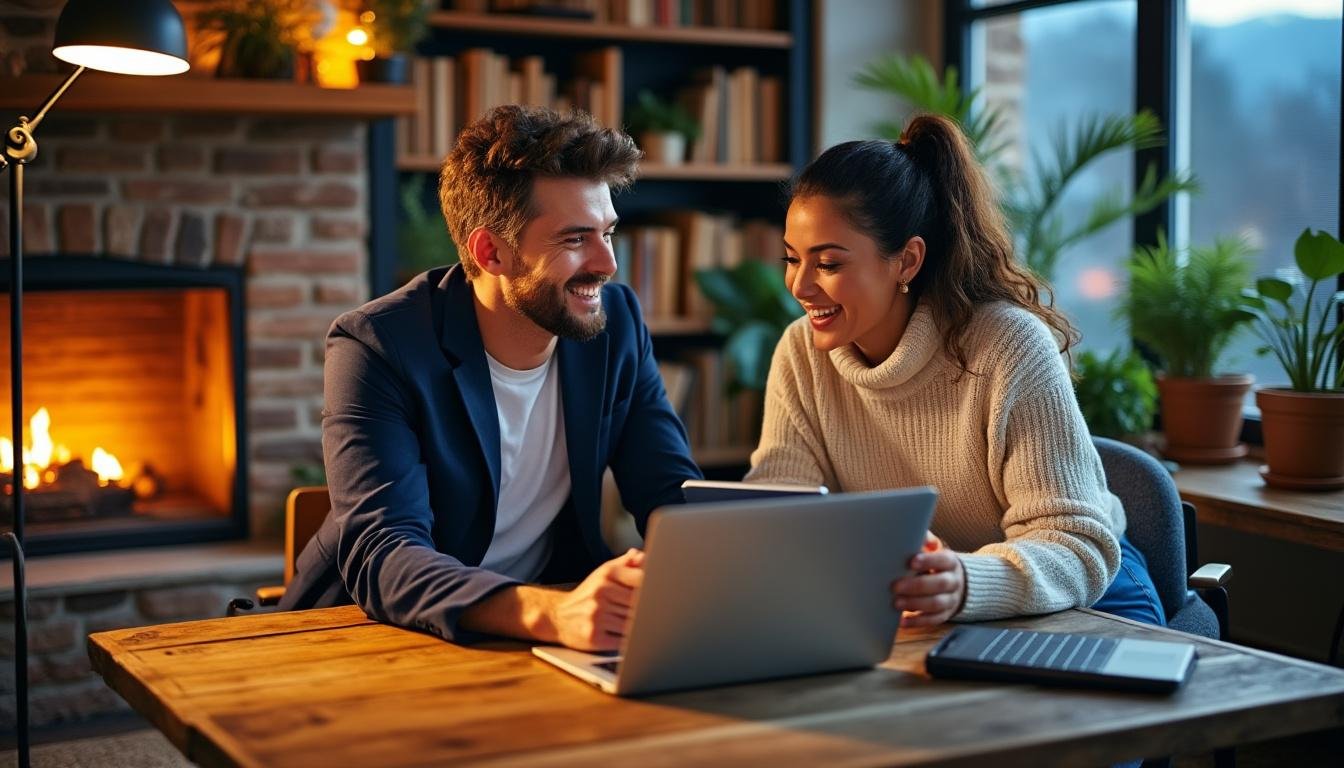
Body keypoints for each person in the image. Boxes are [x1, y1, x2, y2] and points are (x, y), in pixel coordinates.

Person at [279, 105, 702, 650]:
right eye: (575, 240)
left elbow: (670, 494)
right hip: (376, 637)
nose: (607, 263)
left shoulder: (615, 322)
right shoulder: (378, 345)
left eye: (608, 232)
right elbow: (383, 550)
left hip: (540, 635)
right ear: (491, 252)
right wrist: (552, 613)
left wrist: (736, 566)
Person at [746, 114, 1165, 629]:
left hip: (1087, 598)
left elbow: (1077, 544)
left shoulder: (1006, 346)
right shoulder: (802, 352)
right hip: (928, 606)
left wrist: (969, 580)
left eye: (828, 264)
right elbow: (781, 512)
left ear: (906, 261)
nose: (800, 286)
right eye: (792, 259)